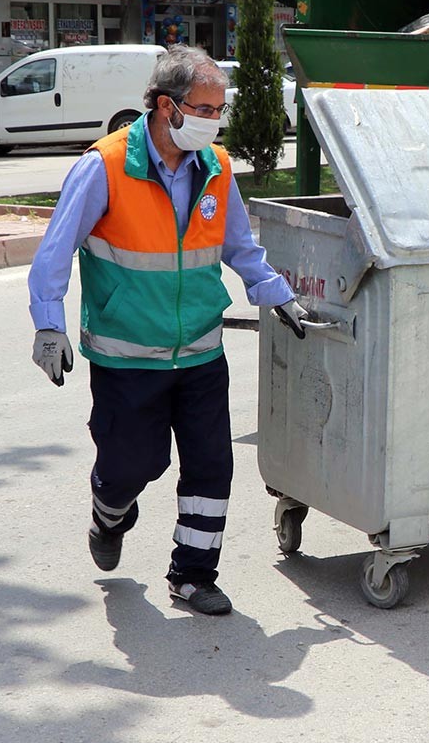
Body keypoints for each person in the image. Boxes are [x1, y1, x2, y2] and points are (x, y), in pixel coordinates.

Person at [27, 45, 309, 615]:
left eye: (218, 110)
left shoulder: (217, 168)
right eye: (203, 108)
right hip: (128, 355)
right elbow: (53, 254)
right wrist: (48, 327)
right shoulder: (104, 166)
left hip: (201, 349)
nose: (213, 120)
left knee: (211, 465)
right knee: (133, 465)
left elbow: (239, 247)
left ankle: (193, 576)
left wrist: (279, 295)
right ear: (165, 106)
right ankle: (110, 512)